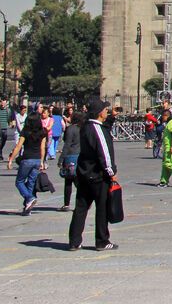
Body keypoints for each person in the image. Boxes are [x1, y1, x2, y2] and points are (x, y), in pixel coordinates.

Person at [68, 98, 119, 251]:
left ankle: (74, 241)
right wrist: (111, 172)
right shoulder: (97, 130)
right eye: (105, 110)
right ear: (99, 113)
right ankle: (102, 241)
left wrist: (111, 119)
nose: (106, 111)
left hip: (84, 173)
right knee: (102, 208)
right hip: (97, 175)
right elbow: (104, 153)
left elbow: (102, 130)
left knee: (81, 208)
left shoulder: (86, 127)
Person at [7, 112, 47, 215]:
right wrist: (42, 161)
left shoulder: (26, 132)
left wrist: (11, 159)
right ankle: (27, 207)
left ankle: (30, 198)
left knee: (19, 182)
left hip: (27, 159)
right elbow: (43, 148)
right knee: (30, 183)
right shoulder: (42, 132)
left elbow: (18, 146)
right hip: (37, 159)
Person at [57, 110, 84, 211]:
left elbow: (67, 145)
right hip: (80, 155)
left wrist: (61, 159)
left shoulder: (70, 129)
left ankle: (66, 204)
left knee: (68, 181)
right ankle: (83, 202)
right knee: (78, 181)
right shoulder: (83, 129)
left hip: (70, 156)